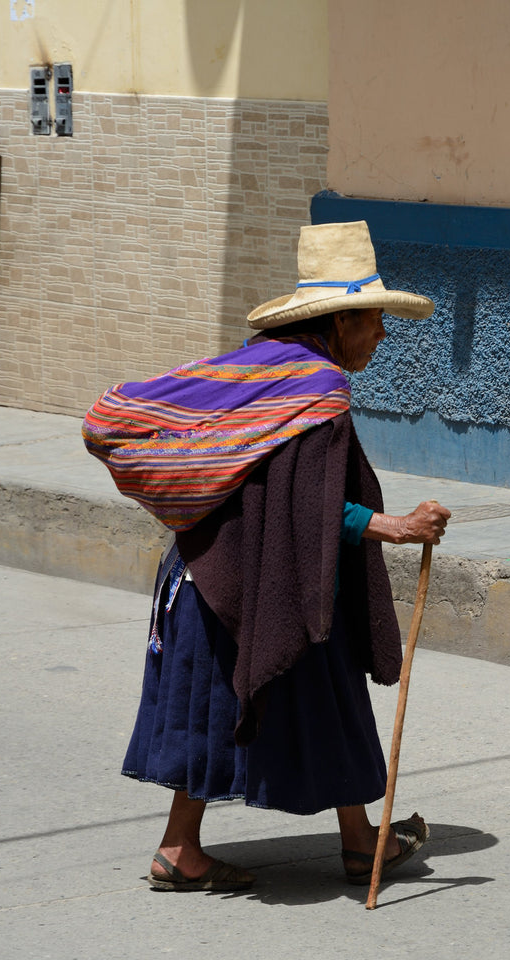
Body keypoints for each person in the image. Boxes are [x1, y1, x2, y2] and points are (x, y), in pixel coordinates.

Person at [83, 220, 451, 892]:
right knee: (277, 693)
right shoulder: (315, 389)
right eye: (372, 319)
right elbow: (308, 509)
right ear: (339, 322)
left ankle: (321, 839)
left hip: (208, 571)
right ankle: (308, 842)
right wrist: (396, 526)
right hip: (250, 575)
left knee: (251, 699)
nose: (382, 334)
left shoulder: (257, 368)